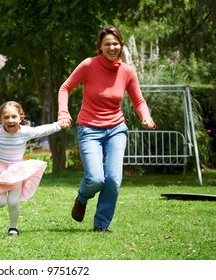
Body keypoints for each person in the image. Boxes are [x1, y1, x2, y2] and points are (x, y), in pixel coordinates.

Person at [57, 25, 156, 233]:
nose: (112, 47)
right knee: (95, 178)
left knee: (112, 179)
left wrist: (145, 117)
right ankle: (82, 197)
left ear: (120, 45)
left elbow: (138, 101)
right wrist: (63, 112)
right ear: (100, 47)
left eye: (115, 43)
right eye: (107, 44)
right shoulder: (88, 65)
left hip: (116, 129)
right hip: (89, 129)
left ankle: (101, 225)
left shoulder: (127, 71)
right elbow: (65, 87)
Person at [0, 101, 68, 236]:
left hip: (17, 171)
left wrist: (58, 125)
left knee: (13, 201)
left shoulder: (25, 132)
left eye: (14, 117)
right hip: (0, 169)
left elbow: (42, 130)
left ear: (21, 118)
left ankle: (13, 228)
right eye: (6, 117)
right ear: (0, 119)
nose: (10, 120)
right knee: (1, 202)